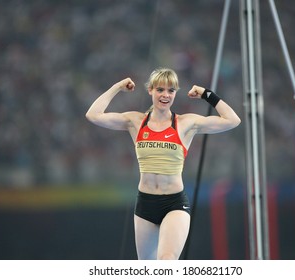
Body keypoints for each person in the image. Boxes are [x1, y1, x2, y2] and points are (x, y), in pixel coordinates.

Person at [86, 68, 241, 260]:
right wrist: (118, 87)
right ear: (150, 90)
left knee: (166, 261)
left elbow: (232, 120)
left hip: (174, 203)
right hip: (145, 204)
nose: (165, 95)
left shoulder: (185, 123)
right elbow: (93, 115)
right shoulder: (135, 121)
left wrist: (205, 93)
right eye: (160, 90)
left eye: (171, 91)